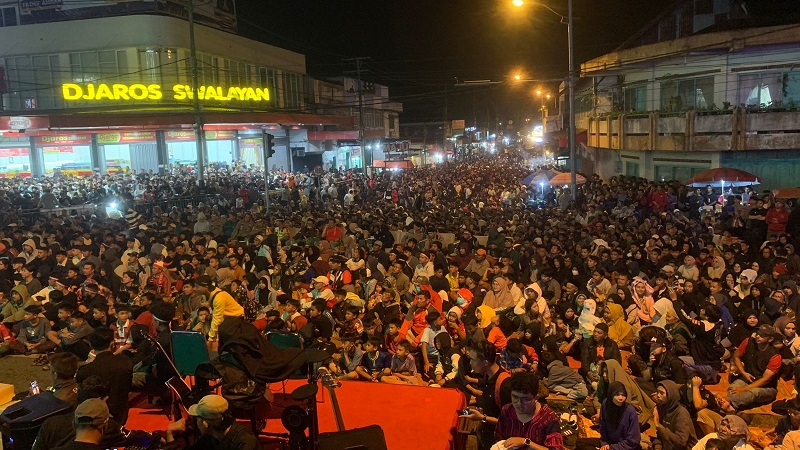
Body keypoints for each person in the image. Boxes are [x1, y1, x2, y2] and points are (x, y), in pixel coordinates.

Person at [491, 372, 565, 450]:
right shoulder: (507, 411)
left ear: (536, 398)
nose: (519, 403)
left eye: (525, 399)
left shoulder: (549, 418)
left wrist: (526, 442)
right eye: (515, 397)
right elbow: (499, 438)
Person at [76, 327, 133, 426]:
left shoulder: (84, 371)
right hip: (121, 413)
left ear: (92, 346)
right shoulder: (125, 363)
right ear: (112, 344)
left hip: (94, 416)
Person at [464, 339, 513, 450]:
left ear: (485, 362)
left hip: (498, 442)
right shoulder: (488, 375)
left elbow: (510, 422)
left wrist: (482, 418)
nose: (470, 363)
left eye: (473, 359)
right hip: (486, 435)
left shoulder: (505, 385)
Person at [164, 394, 257, 450]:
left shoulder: (245, 442)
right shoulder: (209, 437)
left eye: (197, 418)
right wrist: (169, 433)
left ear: (205, 423)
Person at [727, 323, 781, 411]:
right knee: (732, 388)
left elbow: (765, 380)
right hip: (748, 378)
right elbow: (736, 356)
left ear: (770, 339)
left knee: (752, 393)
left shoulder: (775, 356)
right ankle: (731, 404)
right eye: (758, 333)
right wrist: (744, 373)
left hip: (766, 387)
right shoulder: (748, 342)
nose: (758, 336)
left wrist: (743, 389)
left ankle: (729, 405)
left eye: (762, 335)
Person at [194, 275, 243, 346]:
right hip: (227, 318)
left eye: (197, 287)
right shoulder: (211, 294)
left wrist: (210, 339)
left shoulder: (219, 298)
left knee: (221, 330)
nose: (195, 289)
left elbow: (217, 319)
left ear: (206, 287)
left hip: (236, 318)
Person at [653, 380, 697, 450]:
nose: (658, 395)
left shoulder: (681, 413)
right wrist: (657, 446)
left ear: (670, 394)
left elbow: (681, 442)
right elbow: (660, 435)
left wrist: (659, 426)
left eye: (662, 393)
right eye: (657, 392)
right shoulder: (662, 408)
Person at [599, 382, 642, 450]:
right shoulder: (606, 405)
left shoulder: (630, 411)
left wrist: (612, 448)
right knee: (583, 444)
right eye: (617, 395)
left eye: (623, 395)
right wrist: (605, 443)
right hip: (610, 443)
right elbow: (603, 427)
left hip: (625, 447)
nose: (621, 398)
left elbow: (633, 440)